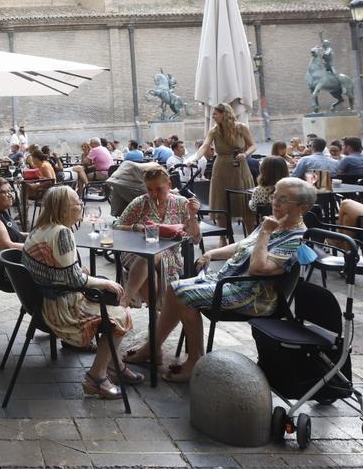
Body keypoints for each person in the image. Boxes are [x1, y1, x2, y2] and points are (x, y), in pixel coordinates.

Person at [169, 177, 313, 381]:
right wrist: (212, 253)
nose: (274, 202)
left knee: (181, 293)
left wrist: (265, 232)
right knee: (173, 287)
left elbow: (258, 268)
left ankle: (195, 360)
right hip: (229, 280)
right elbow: (242, 246)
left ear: (302, 208)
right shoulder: (275, 223)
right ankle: (153, 347)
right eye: (274, 195)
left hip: (253, 295)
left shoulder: (295, 238)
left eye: (282, 199)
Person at [22, 187, 136, 397]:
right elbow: (74, 280)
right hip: (61, 309)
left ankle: (115, 365)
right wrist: (105, 284)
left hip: (42, 302)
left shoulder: (39, 229)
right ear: (64, 208)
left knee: (110, 305)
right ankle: (96, 377)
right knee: (122, 315)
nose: (81, 205)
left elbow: (61, 271)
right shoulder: (62, 233)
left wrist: (79, 272)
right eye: (77, 203)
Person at [115, 165, 201, 326]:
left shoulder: (182, 204)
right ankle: (150, 321)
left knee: (151, 268)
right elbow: (117, 226)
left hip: (168, 255)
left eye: (159, 189)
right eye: (149, 189)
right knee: (149, 256)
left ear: (169, 184)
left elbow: (195, 238)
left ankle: (131, 306)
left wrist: (193, 215)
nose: (154, 194)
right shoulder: (140, 203)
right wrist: (136, 227)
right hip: (136, 251)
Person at [187, 102, 256, 235]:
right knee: (221, 201)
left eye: (215, 114)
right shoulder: (214, 130)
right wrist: (194, 159)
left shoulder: (241, 127)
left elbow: (253, 145)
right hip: (221, 167)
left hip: (240, 166)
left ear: (225, 114)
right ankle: (223, 237)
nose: (213, 116)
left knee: (244, 200)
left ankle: (251, 235)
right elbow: (204, 146)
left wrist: (245, 154)